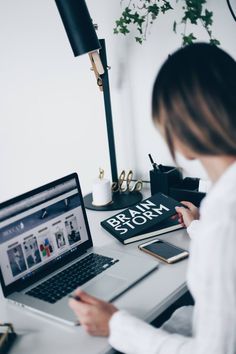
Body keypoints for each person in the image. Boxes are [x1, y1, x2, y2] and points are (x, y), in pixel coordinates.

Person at [69, 43, 236, 353]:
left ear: (182, 131)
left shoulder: (224, 221)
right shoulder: (222, 215)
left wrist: (116, 324)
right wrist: (199, 228)